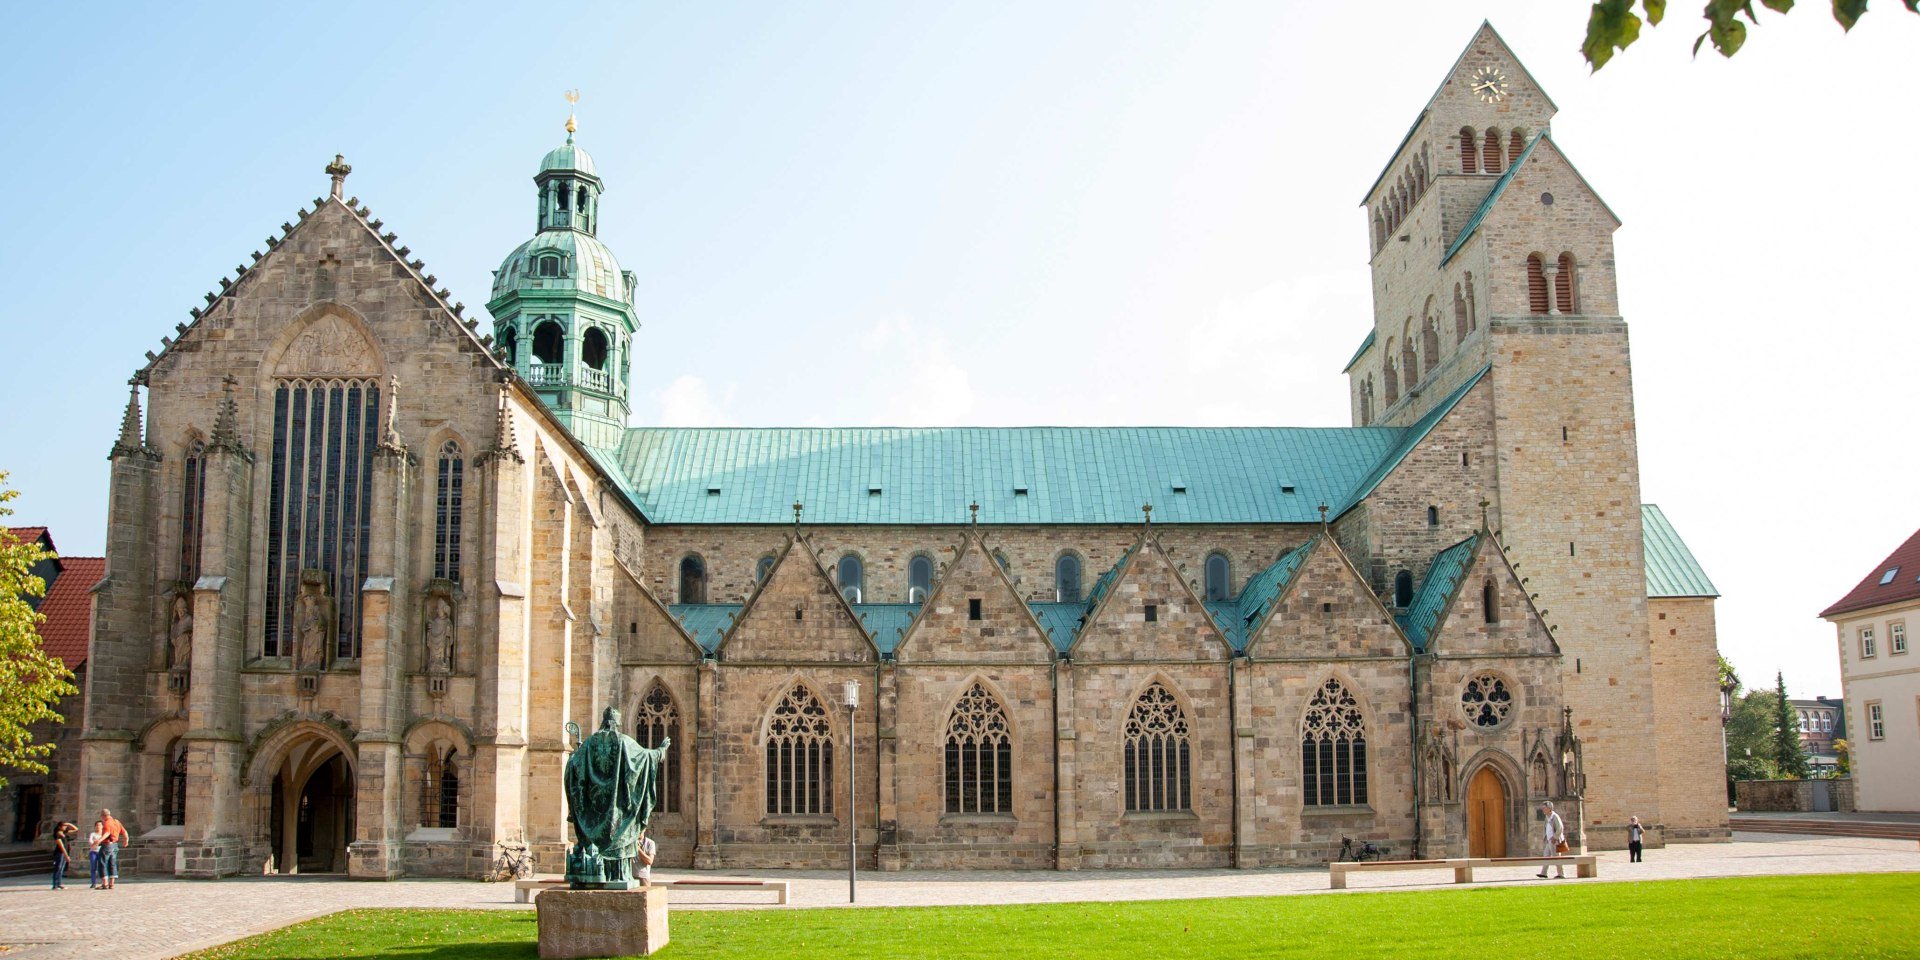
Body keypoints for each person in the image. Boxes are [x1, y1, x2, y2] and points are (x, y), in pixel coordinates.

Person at [98, 808, 129, 890]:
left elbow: (107, 833)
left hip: (107, 844)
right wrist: (126, 839)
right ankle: (111, 884)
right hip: (115, 845)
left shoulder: (107, 823)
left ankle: (104, 883)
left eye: (101, 816)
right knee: (112, 863)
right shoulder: (116, 822)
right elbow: (124, 831)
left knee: (102, 863)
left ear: (103, 816)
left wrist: (98, 841)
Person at [1536, 800, 1566, 879]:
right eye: (1542, 808)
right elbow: (1546, 828)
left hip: (1554, 840)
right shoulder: (1547, 817)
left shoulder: (1554, 816)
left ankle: (1561, 874)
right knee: (1546, 856)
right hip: (1549, 840)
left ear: (1549, 808)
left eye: (1544, 808)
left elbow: (1560, 828)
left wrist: (1555, 837)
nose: (1543, 810)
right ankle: (1544, 873)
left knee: (1556, 857)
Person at [51, 822, 76, 890]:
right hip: (59, 853)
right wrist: (66, 855)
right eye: (64, 826)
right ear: (59, 827)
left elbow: (76, 830)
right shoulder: (57, 834)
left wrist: (69, 824)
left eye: (65, 826)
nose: (65, 827)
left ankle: (59, 884)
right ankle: (55, 885)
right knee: (58, 868)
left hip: (64, 852)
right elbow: (61, 846)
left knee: (61, 869)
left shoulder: (64, 832)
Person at [87, 819, 106, 889]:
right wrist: (97, 843)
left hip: (101, 851)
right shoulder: (93, 834)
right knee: (93, 868)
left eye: (100, 825)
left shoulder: (104, 834)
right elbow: (91, 843)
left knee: (102, 867)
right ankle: (93, 882)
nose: (98, 826)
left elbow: (104, 843)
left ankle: (103, 882)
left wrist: (96, 842)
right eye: (97, 825)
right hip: (93, 852)